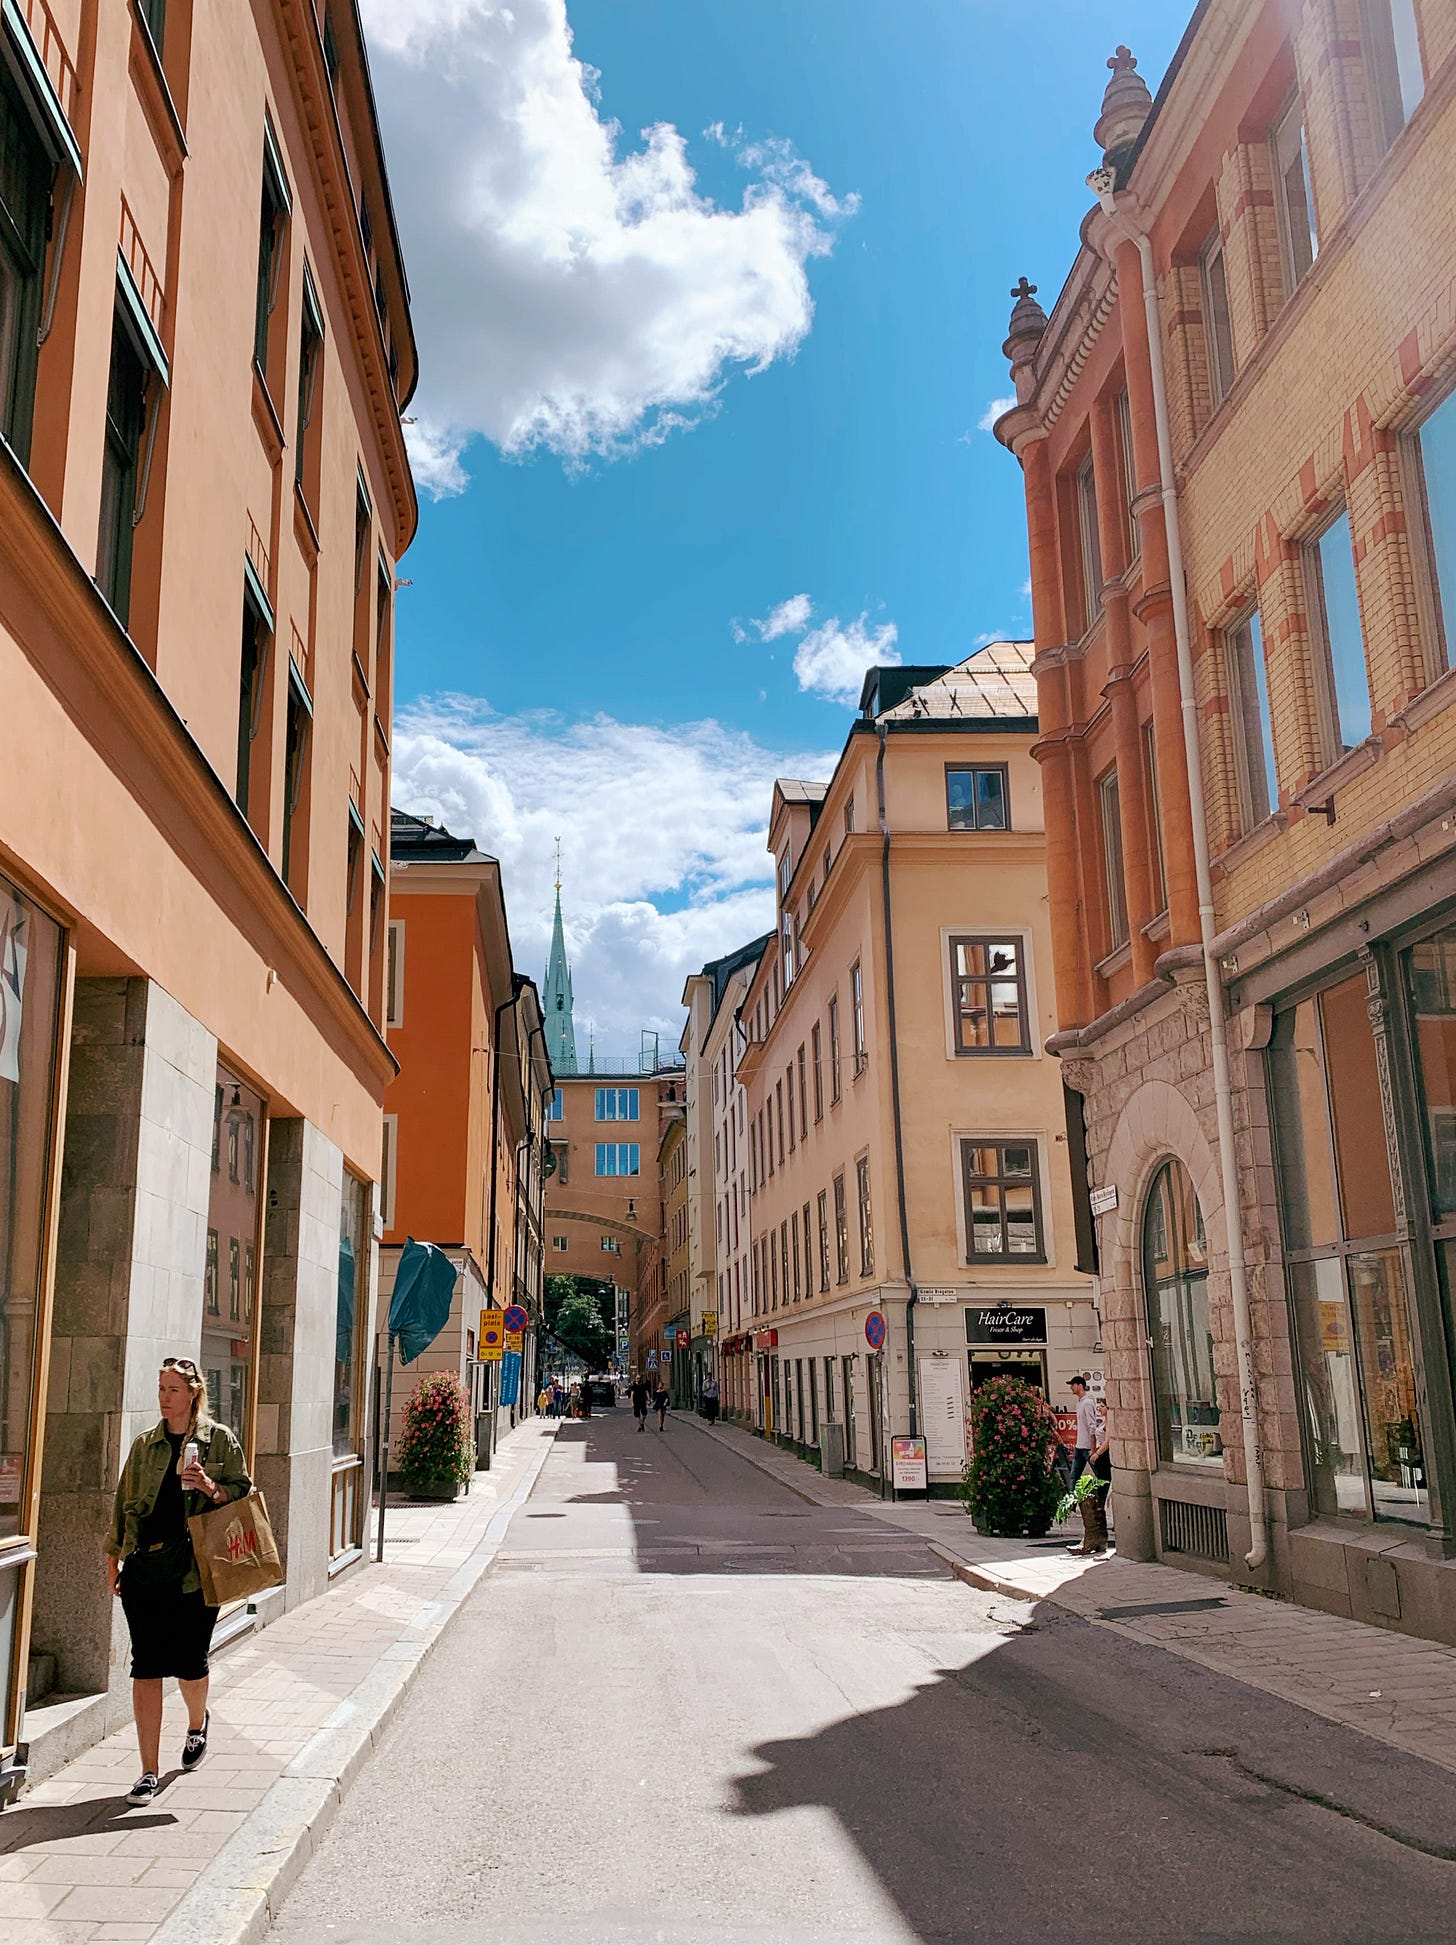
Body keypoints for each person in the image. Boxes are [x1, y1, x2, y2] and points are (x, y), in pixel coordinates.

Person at [107, 1357, 252, 1807]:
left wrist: (210, 1486)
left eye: (173, 1389)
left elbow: (244, 1490)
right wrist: (113, 1558)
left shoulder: (220, 1441)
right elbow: (122, 1501)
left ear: (193, 1394)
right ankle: (148, 1772)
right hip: (146, 1569)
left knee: (190, 1663)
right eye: (161, 1388)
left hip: (196, 1570)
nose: (165, 1397)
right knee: (146, 1666)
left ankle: (195, 1723)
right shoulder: (145, 1445)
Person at [1066, 1374, 1111, 1556]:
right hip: (1080, 1445)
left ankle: (1095, 1505)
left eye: (1073, 1385)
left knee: (1100, 1477)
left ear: (1080, 1386)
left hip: (1086, 1447)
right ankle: (1075, 1504)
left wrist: (1093, 1451)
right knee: (1074, 1476)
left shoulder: (1087, 1403)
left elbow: (1092, 1427)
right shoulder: (1080, 1403)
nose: (1071, 1388)